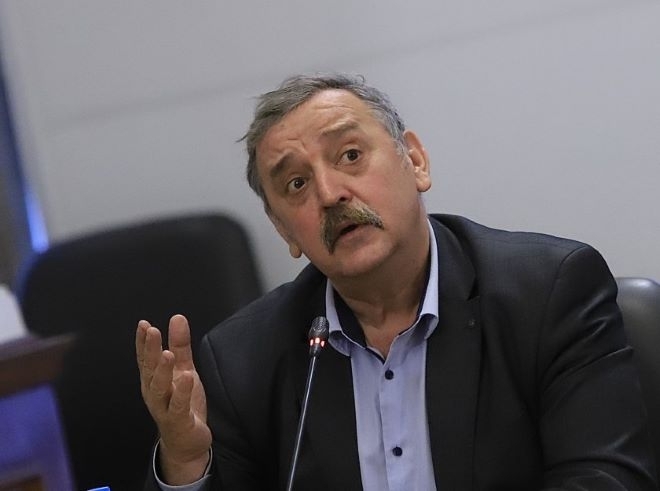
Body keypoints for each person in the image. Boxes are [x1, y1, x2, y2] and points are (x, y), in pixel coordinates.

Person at [136, 73, 657, 490]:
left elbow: (606, 478)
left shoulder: (548, 292)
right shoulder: (241, 360)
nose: (330, 194)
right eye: (296, 183)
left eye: (350, 155)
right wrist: (187, 464)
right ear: (284, 230)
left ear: (416, 161)